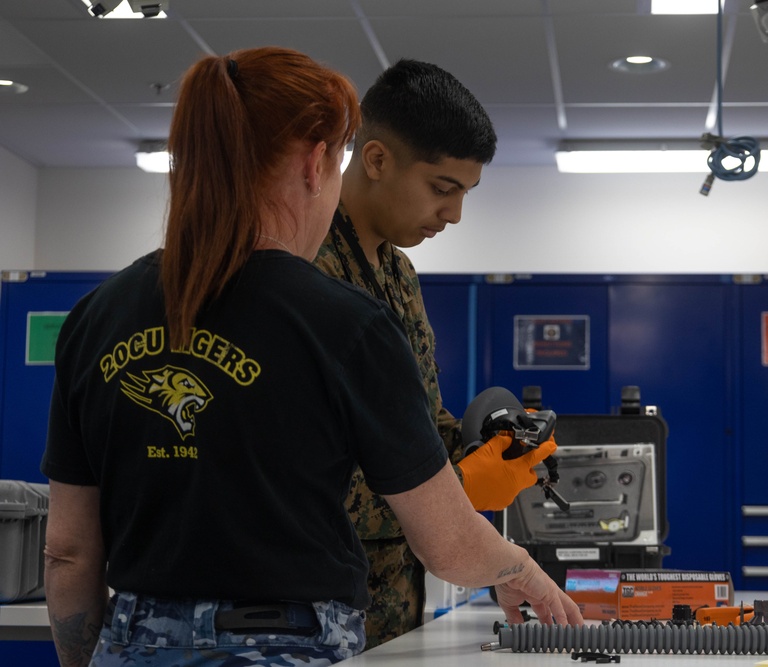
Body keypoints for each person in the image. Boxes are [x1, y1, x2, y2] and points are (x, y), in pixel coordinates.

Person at [40, 46, 583, 667]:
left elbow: (68, 552)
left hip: (133, 641)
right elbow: (446, 542)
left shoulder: (95, 317)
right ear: (317, 162)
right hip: (280, 644)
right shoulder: (341, 318)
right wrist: (516, 564)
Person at [313, 58, 551, 648]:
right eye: (442, 189)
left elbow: (414, 419)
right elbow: (296, 467)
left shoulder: (399, 274)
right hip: (316, 613)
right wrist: (455, 491)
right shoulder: (305, 271)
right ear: (375, 159)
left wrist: (487, 449)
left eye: (464, 193)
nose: (454, 214)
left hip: (396, 606)